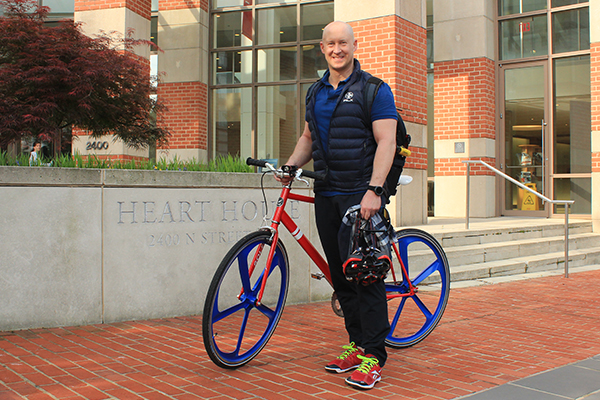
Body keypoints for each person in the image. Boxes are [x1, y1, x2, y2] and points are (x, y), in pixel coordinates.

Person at [279, 21, 397, 390]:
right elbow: (307, 137)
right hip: (326, 194)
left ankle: (374, 356)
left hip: (360, 196)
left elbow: (387, 141)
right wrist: (291, 165)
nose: (337, 49)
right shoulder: (315, 92)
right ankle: (358, 342)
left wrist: (374, 191)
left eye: (343, 42)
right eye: (330, 43)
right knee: (341, 274)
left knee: (366, 274)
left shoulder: (374, 89)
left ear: (353, 45)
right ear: (322, 47)